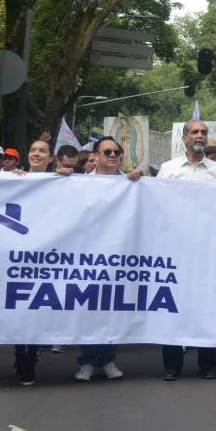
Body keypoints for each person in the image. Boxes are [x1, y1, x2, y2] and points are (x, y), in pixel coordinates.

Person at [156, 120, 216, 381]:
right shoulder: (168, 169)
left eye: (204, 132)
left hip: (208, 250)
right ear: (184, 138)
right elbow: (155, 203)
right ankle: (172, 365)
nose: (200, 136)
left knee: (206, 307)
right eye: (195, 132)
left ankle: (207, 363)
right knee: (173, 307)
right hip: (175, 249)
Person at [74, 136, 140, 382]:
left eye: (116, 152)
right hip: (89, 255)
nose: (113, 155)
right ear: (96, 156)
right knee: (89, 309)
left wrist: (139, 179)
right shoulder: (80, 183)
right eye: (107, 151)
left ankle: (108, 359)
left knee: (113, 309)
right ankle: (88, 361)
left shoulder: (132, 183)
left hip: (120, 254)